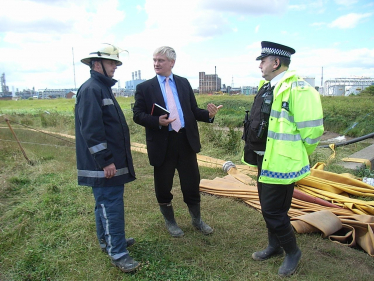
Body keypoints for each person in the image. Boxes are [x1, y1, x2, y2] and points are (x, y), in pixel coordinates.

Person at [242, 41, 324, 277]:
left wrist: (295, 154)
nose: (260, 65)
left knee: (272, 211)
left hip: (281, 162)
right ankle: (274, 246)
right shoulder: (267, 87)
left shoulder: (299, 89)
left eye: (263, 60)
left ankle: (292, 252)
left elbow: (312, 132)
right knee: (274, 208)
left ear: (276, 62)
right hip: (263, 159)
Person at [133, 46, 222, 238]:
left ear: (172, 63)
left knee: (191, 182)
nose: (156, 64)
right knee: (163, 185)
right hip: (162, 143)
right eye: (154, 60)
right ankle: (170, 222)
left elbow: (192, 110)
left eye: (161, 60)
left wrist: (209, 115)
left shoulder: (182, 83)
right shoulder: (144, 88)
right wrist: (157, 121)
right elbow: (137, 115)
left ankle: (197, 220)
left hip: (185, 140)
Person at [75, 43, 139, 273]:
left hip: (106, 163)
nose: (115, 67)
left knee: (104, 204)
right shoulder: (92, 89)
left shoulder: (101, 88)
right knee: (111, 205)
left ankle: (108, 241)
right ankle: (118, 253)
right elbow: (92, 130)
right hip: (103, 165)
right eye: (112, 63)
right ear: (97, 64)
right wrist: (105, 160)